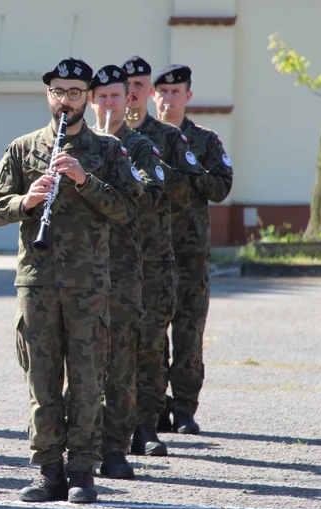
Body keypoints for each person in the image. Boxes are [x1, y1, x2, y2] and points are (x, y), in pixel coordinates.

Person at [0, 58, 142, 503]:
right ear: (48, 95)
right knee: (42, 379)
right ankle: (47, 469)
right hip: (37, 282)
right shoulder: (23, 149)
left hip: (88, 284)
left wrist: (85, 180)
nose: (66, 100)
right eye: (58, 91)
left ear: (88, 98)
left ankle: (82, 472)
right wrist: (26, 201)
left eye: (75, 93)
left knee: (88, 380)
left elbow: (130, 208)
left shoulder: (109, 151)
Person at [123, 55, 203, 453]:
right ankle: (116, 423)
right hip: (112, 258)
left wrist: (155, 169)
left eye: (140, 85)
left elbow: (194, 191)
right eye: (129, 86)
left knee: (154, 343)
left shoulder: (169, 140)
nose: (135, 92)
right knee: (115, 343)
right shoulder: (104, 137)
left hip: (158, 257)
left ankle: (151, 421)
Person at [88, 65, 164, 479]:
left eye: (116, 96)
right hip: (79, 269)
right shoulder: (77, 144)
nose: (108, 103)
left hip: (120, 270)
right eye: (101, 96)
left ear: (128, 99)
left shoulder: (138, 147)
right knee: (81, 364)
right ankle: (81, 444)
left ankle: (115, 448)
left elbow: (149, 196)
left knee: (119, 363)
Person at [153, 64, 234, 435]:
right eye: (162, 92)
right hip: (149, 254)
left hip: (189, 255)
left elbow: (220, 188)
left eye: (175, 92)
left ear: (188, 96)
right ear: (154, 95)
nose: (168, 99)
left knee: (187, 334)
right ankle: (154, 407)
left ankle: (185, 408)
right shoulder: (140, 139)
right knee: (149, 336)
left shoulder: (205, 141)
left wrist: (192, 169)